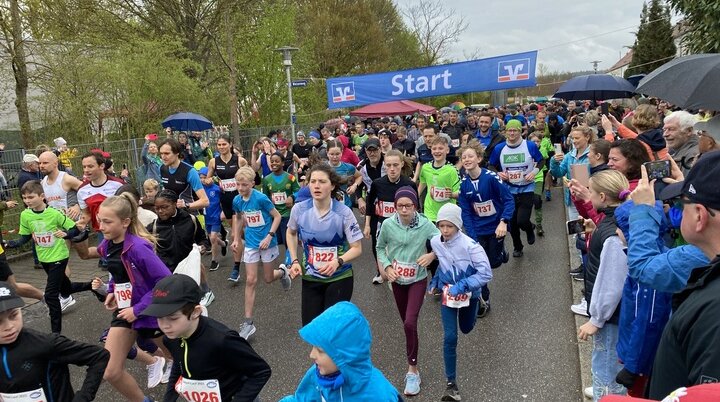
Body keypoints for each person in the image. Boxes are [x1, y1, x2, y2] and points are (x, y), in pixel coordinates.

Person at [639, 152, 720, 398]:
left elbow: (644, 268)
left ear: (699, 216)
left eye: (679, 204)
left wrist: (643, 210)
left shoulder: (714, 310)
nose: (676, 210)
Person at [84, 193, 172, 400]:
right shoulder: (107, 245)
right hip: (125, 311)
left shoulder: (139, 247)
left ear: (125, 222)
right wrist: (113, 291)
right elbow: (118, 273)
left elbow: (166, 281)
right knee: (111, 371)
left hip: (151, 312)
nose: (101, 226)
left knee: (182, 363)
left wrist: (138, 309)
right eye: (99, 220)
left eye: (107, 221)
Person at [141, 275, 272, 402]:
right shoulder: (170, 338)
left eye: (173, 318)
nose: (164, 326)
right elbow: (178, 364)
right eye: (159, 317)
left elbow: (261, 371)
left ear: (196, 312)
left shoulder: (222, 340)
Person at [4, 181, 93, 333]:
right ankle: (94, 286)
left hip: (59, 256)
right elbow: (24, 237)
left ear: (42, 196)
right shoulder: (25, 215)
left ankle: (56, 335)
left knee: (51, 294)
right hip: (44, 258)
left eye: (31, 197)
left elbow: (74, 229)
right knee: (66, 288)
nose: (27, 201)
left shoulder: (54, 213)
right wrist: (10, 244)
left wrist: (66, 234)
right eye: (24, 198)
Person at [0, 281, 110, 401]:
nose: (9, 326)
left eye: (13, 315)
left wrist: (83, 397)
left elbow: (99, 356)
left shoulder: (45, 344)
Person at [376, 186, 438, 396]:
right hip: (397, 280)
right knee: (406, 325)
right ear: (395, 206)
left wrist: (431, 255)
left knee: (410, 321)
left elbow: (443, 241)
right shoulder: (387, 224)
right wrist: (386, 267)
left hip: (417, 279)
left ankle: (413, 369)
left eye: (408, 206)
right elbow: (379, 247)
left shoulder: (425, 224)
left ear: (415, 206)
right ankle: (413, 362)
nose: (404, 210)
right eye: (400, 206)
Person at [576, 170, 631, 401]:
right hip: (614, 315)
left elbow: (612, 281)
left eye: (590, 190)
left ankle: (604, 394)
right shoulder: (615, 222)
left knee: (607, 367)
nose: (588, 195)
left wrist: (596, 319)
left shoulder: (611, 234)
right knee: (605, 362)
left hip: (611, 317)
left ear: (602, 197)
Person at [428, 203, 492, 402]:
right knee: (450, 337)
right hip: (448, 295)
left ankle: (479, 301)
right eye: (441, 226)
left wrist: (464, 286)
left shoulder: (471, 246)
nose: (445, 231)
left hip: (468, 295)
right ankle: (451, 384)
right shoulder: (435, 242)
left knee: (466, 328)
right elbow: (443, 263)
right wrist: (437, 282)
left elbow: (486, 273)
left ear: (458, 226)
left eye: (450, 226)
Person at [286, 164, 364, 325]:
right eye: (312, 181)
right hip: (311, 276)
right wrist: (294, 260)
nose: (316, 185)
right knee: (311, 328)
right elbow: (291, 232)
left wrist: (337, 261)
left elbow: (357, 248)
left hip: (339, 277)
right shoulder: (299, 210)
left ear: (332, 185)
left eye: (322, 181)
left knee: (331, 328)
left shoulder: (344, 212)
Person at [279, 301, 400, 402]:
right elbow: (300, 399)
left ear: (346, 355)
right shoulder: (318, 374)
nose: (312, 355)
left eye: (320, 351)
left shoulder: (379, 395)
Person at [230, 166, 291, 340]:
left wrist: (269, 236)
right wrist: (235, 238)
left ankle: (282, 272)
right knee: (250, 280)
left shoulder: (261, 199)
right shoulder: (237, 200)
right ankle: (248, 323)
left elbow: (277, 216)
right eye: (238, 185)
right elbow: (240, 217)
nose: (241, 188)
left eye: (244, 185)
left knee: (268, 278)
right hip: (250, 243)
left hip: (267, 243)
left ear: (252, 183)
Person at [457, 141, 514, 317]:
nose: (466, 159)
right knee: (480, 266)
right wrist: (471, 236)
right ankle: (484, 300)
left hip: (496, 227)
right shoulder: (464, 185)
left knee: (494, 262)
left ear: (479, 158)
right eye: (463, 157)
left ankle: (501, 254)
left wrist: (503, 221)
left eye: (470, 156)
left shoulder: (491, 177)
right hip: (478, 230)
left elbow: (508, 200)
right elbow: (465, 212)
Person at [488, 119, 545, 257]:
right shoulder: (499, 148)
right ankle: (517, 246)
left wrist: (534, 173)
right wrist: (498, 173)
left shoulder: (530, 145)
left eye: (515, 130)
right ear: (505, 132)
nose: (512, 133)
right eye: (509, 130)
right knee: (512, 223)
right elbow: (490, 165)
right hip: (508, 189)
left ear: (521, 131)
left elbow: (541, 160)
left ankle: (529, 228)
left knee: (522, 220)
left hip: (527, 188)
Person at [149, 189, 214, 306]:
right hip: (167, 274)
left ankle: (205, 292)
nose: (160, 211)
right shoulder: (153, 227)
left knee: (189, 306)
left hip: (189, 271)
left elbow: (203, 239)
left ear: (175, 204)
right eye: (157, 208)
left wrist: (202, 247)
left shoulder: (190, 220)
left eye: (164, 207)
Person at [363, 150, 416, 285]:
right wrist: (367, 225)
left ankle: (402, 273)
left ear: (402, 164)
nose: (392, 169)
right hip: (382, 223)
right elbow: (370, 203)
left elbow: (417, 208)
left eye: (395, 165)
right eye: (388, 165)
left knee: (401, 250)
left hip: (402, 224)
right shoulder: (377, 183)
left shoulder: (409, 184)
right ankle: (381, 272)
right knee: (378, 249)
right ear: (384, 166)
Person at [204, 134, 245, 274]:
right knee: (241, 231)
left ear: (230, 144)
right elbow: (207, 179)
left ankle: (236, 267)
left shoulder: (239, 160)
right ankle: (253, 244)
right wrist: (211, 181)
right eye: (219, 145)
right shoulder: (213, 162)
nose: (221, 147)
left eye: (224, 144)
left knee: (234, 234)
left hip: (238, 198)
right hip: (225, 199)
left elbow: (250, 176)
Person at [261, 152, 300, 259]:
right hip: (274, 215)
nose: (274, 163)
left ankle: (290, 261)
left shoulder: (290, 178)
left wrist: (292, 197)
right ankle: (271, 259)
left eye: (277, 161)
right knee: (276, 240)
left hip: (287, 214)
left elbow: (298, 191)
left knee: (288, 239)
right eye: (272, 161)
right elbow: (265, 197)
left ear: (283, 163)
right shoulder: (266, 179)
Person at [158, 138, 210, 215]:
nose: (163, 157)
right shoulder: (162, 168)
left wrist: (186, 205)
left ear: (177, 153)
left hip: (191, 216)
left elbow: (205, 201)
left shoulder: (190, 171)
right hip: (172, 215)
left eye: (167, 153)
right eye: (161, 153)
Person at [417, 136, 460, 223]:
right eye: (434, 149)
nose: (437, 151)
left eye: (440, 148)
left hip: (447, 213)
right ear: (431, 151)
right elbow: (423, 183)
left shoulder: (452, 170)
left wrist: (451, 194)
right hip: (429, 212)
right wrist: (415, 197)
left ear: (447, 150)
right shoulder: (425, 168)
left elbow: (459, 193)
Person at [38, 151, 83, 220]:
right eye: (40, 163)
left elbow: (87, 191)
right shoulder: (43, 183)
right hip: (57, 226)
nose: (41, 166)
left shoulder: (67, 179)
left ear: (55, 163)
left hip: (73, 224)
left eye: (45, 163)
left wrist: (78, 206)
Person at [199, 167, 225, 272]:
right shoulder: (200, 189)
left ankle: (214, 261)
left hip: (216, 216)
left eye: (204, 177)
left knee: (213, 237)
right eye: (200, 177)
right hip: (207, 217)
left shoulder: (217, 189)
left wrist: (223, 211)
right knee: (212, 239)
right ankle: (224, 244)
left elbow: (224, 200)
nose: (202, 180)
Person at [326, 139, 362, 209]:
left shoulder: (348, 167)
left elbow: (359, 176)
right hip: (327, 207)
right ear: (327, 153)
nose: (335, 157)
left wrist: (354, 186)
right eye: (332, 154)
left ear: (342, 152)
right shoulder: (322, 168)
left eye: (337, 154)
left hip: (345, 206)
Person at [662, 111, 700, 175]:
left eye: (671, 129)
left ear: (689, 131)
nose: (665, 134)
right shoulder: (682, 152)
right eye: (664, 130)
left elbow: (687, 184)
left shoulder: (692, 157)